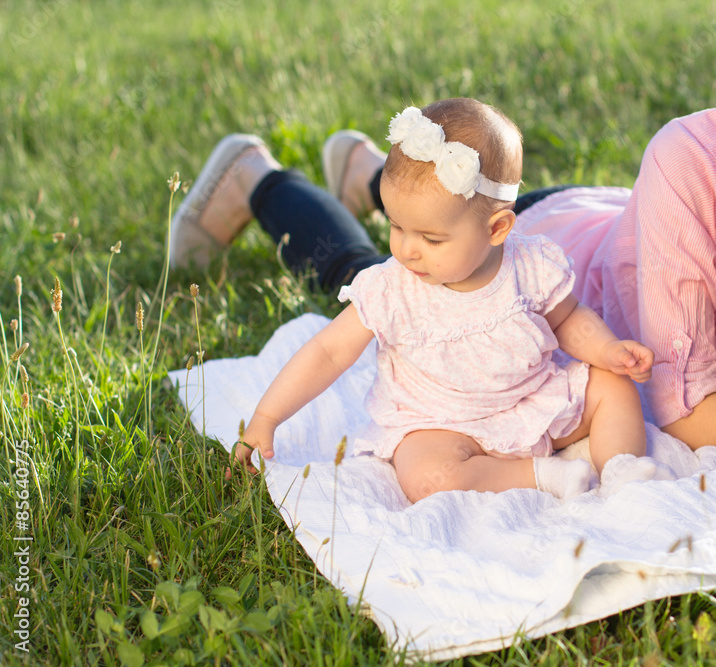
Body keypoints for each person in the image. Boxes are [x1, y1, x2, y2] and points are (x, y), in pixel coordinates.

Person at [173, 17, 716, 463]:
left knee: (440, 209)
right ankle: (262, 178)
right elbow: (687, 411)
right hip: (558, 260)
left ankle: (367, 169)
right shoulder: (701, 163)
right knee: (391, 270)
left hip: (620, 228)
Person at [223, 98, 661, 501]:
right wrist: (266, 417)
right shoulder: (393, 288)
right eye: (395, 226)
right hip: (440, 423)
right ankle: (541, 476)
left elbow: (569, 320)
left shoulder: (530, 264)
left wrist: (607, 349)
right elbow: (327, 351)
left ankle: (623, 469)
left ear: (496, 230)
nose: (407, 250)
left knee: (611, 384)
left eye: (431, 238)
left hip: (531, 402)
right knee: (426, 475)